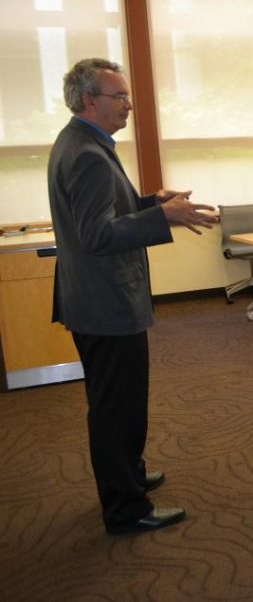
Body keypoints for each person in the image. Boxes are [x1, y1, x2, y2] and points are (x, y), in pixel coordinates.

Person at [47, 58, 215, 535]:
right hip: (106, 304)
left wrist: (151, 204)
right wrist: (164, 219)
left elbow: (105, 213)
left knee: (119, 402)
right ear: (89, 101)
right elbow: (97, 235)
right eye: (119, 96)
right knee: (115, 407)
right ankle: (125, 507)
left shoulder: (82, 142)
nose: (128, 104)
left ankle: (130, 476)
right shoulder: (86, 154)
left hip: (97, 300)